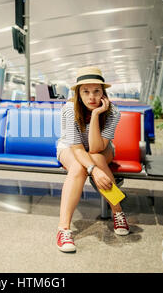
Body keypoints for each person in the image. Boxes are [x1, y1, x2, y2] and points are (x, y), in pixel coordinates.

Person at [56, 66, 129, 253]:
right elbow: (78, 149)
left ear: (103, 92)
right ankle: (63, 229)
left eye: (97, 91)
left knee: (96, 157)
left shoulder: (112, 112)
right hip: (71, 147)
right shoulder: (69, 110)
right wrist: (93, 170)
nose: (92, 97)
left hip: (102, 148)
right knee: (79, 169)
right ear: (78, 93)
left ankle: (117, 212)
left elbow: (97, 147)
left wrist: (96, 115)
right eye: (86, 91)